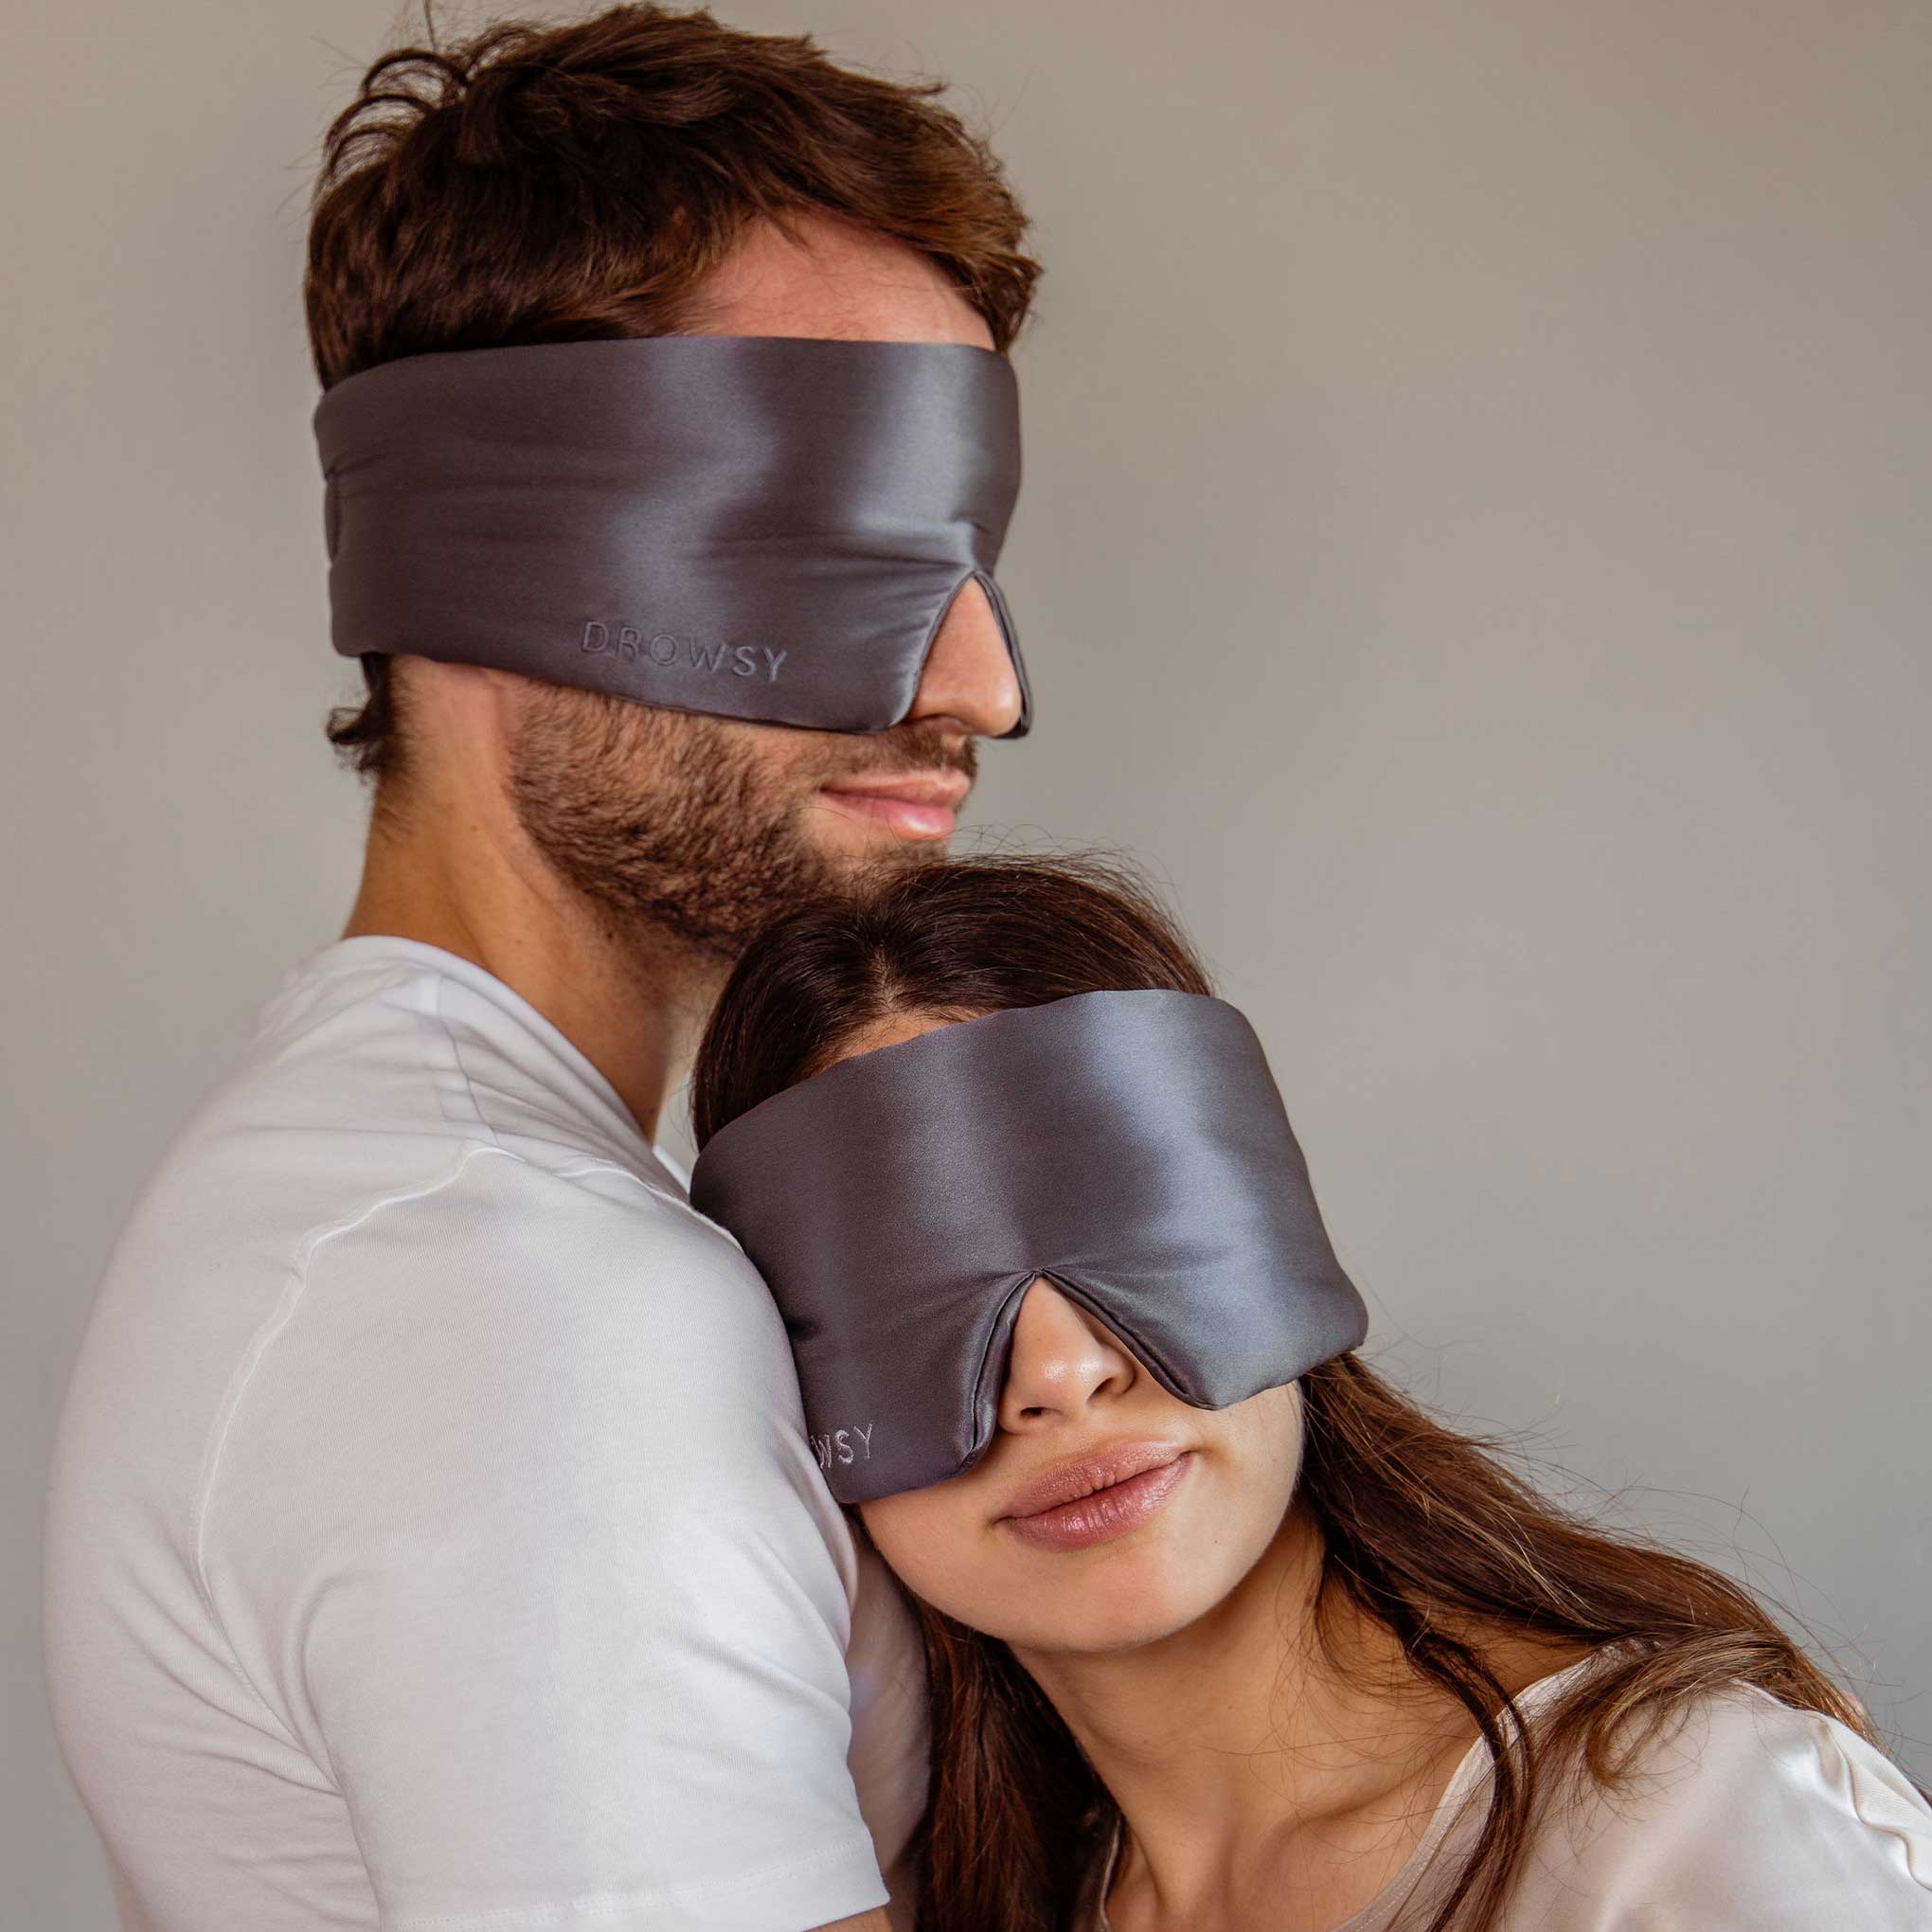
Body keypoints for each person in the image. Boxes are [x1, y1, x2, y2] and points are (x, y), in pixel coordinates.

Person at [43, 9, 1044, 1929]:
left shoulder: (397, 1189)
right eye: (822, 545)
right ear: (481, 551)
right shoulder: (521, 1308)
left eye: (969, 548)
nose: (980, 684)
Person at [684, 852, 1932, 1932]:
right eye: (912, 1296)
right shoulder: (972, 1895)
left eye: (1121, 1221)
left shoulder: (1684, 1827)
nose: (1061, 1375)